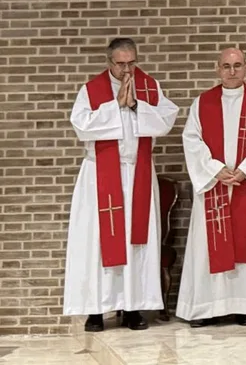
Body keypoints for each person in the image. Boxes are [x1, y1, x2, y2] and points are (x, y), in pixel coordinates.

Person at [65, 38, 180, 331]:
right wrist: (115, 106)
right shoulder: (91, 90)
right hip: (99, 177)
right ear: (109, 62)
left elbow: (167, 119)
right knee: (97, 244)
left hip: (137, 174)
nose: (127, 69)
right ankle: (95, 311)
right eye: (120, 64)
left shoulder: (149, 87)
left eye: (132, 62)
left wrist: (137, 105)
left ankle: (132, 307)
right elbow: (81, 126)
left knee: (136, 243)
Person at [176, 48, 246, 327]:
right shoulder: (202, 102)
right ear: (217, 68)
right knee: (207, 248)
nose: (232, 71)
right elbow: (192, 140)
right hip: (214, 184)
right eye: (226, 66)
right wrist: (214, 169)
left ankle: (245, 307)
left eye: (237, 65)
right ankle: (206, 309)